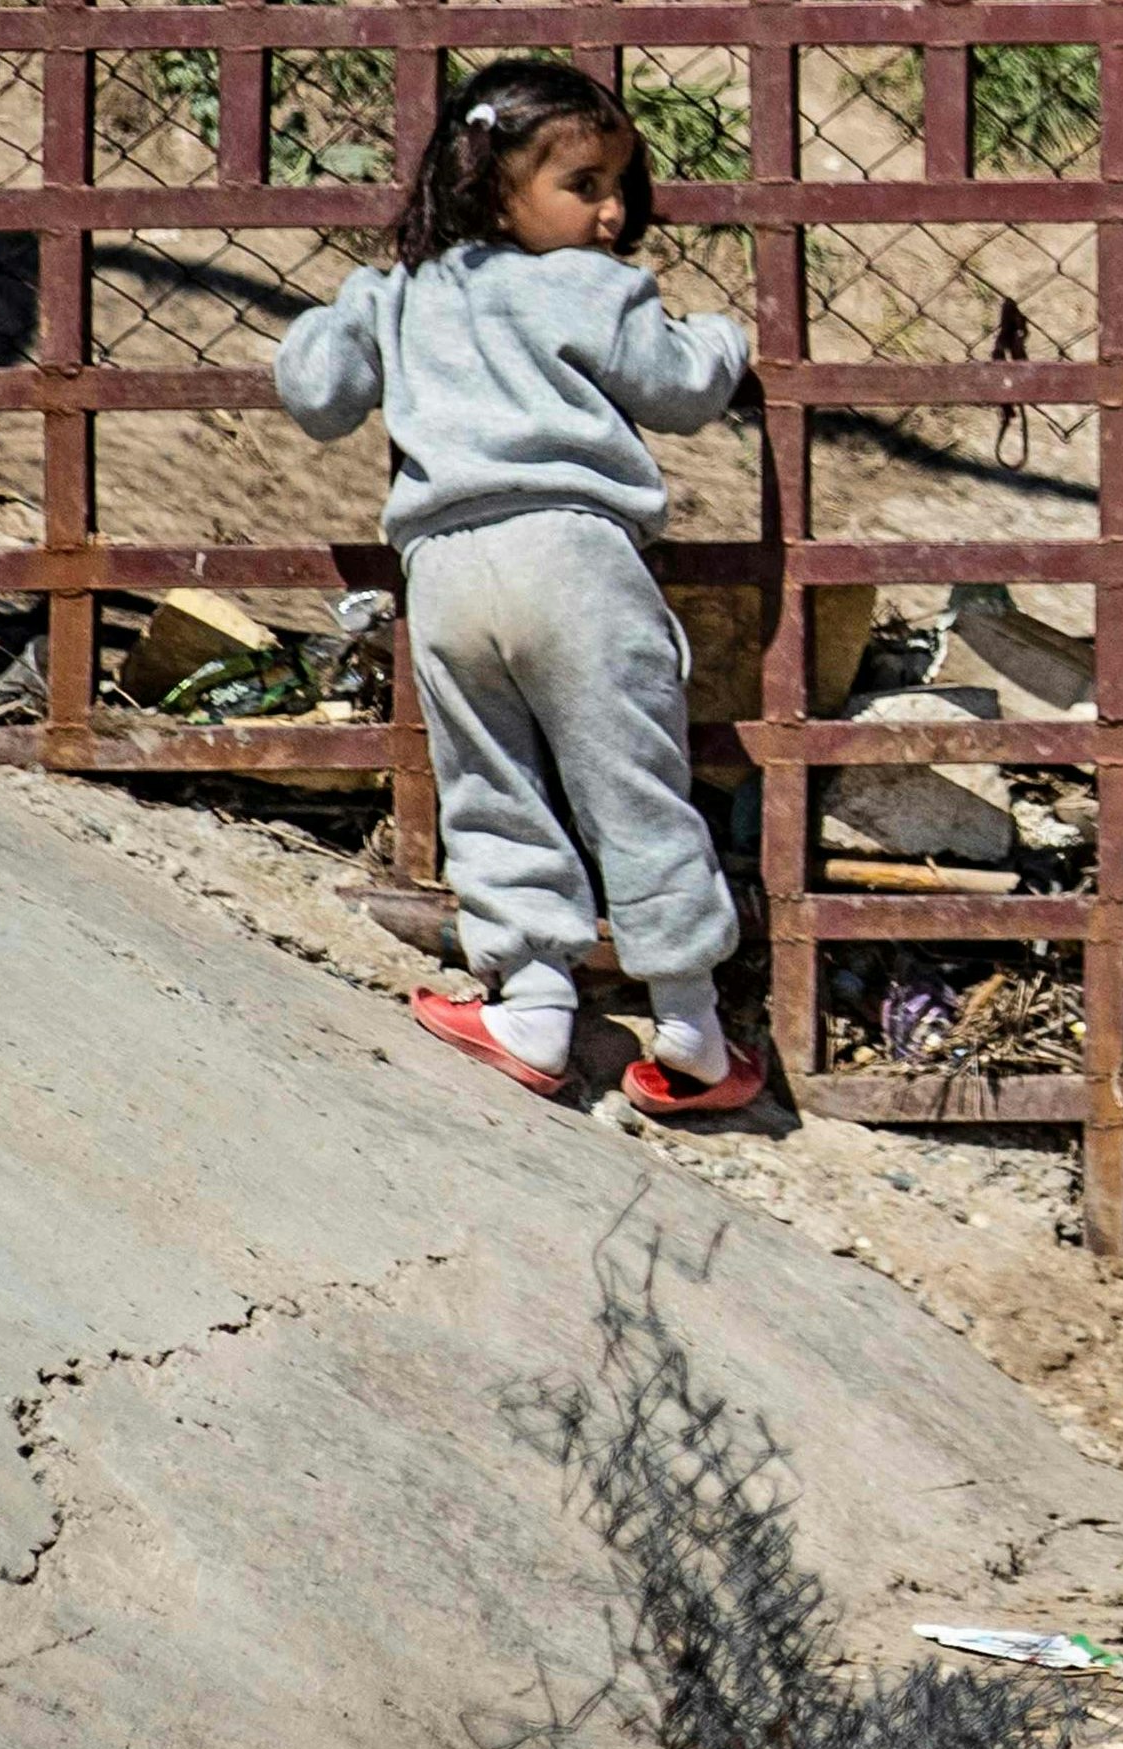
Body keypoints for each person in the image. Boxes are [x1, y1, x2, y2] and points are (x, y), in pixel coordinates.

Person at [275, 58, 760, 1116]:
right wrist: (726, 338)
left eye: (617, 187)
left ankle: (530, 1006)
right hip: (574, 560)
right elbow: (680, 391)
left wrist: (357, 307)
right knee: (632, 781)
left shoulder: (403, 296)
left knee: (489, 782)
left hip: (445, 572)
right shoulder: (598, 288)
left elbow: (314, 393)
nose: (613, 211)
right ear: (493, 182)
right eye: (584, 185)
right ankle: (691, 1028)